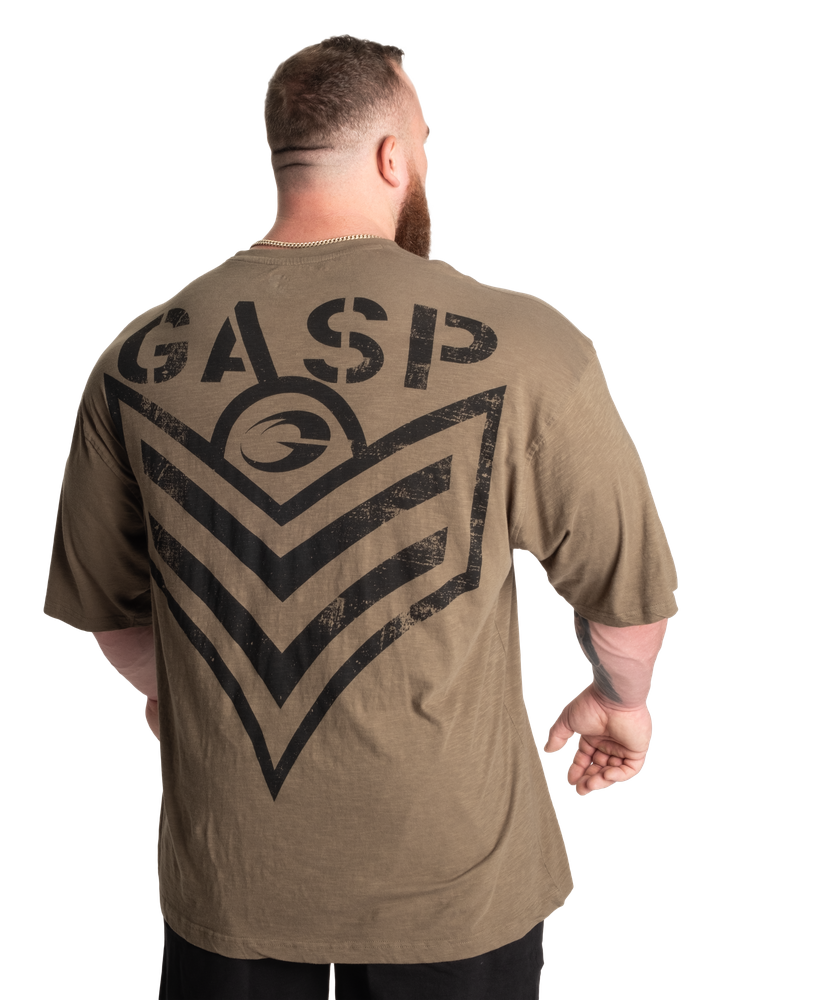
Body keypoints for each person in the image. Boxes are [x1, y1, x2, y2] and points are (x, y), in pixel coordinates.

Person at [42, 33, 679, 1000]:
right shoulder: (530, 347)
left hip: (236, 874)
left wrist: (186, 700)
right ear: (392, 157)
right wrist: (619, 703)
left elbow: (110, 612)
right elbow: (626, 602)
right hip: (454, 879)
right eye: (422, 143)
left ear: (284, 158)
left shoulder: (134, 357)